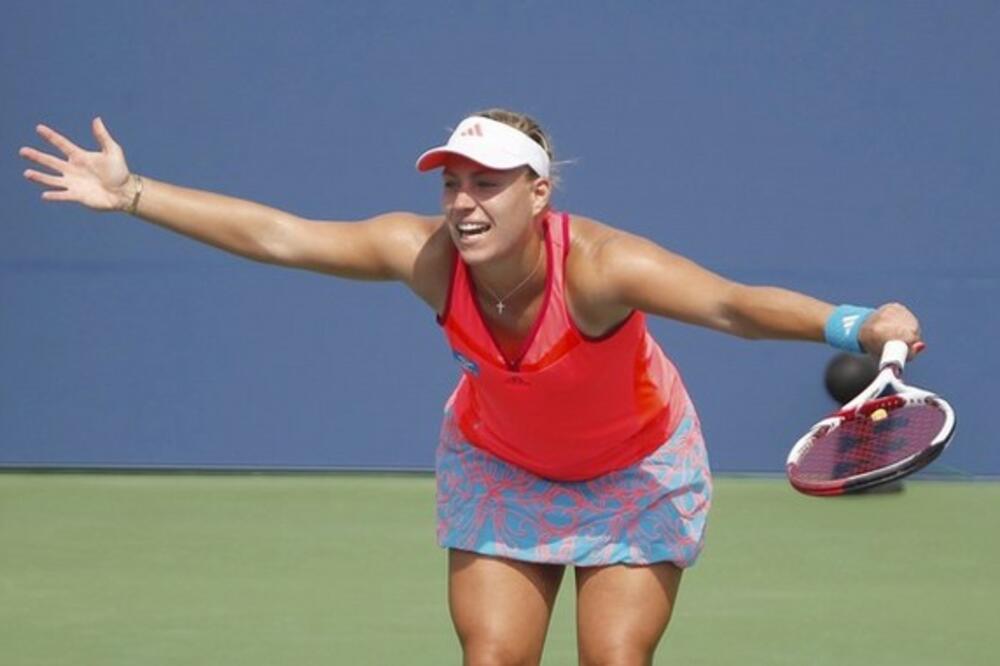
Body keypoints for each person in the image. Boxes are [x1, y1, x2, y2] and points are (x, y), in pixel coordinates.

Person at [19, 110, 923, 665]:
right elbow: (280, 235)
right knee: (494, 655)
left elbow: (729, 305)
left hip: (638, 470)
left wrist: (854, 324)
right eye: (452, 183)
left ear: (538, 194)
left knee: (614, 658)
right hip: (502, 465)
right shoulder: (424, 256)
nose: (463, 202)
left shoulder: (604, 267)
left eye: (487, 183)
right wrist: (133, 190)